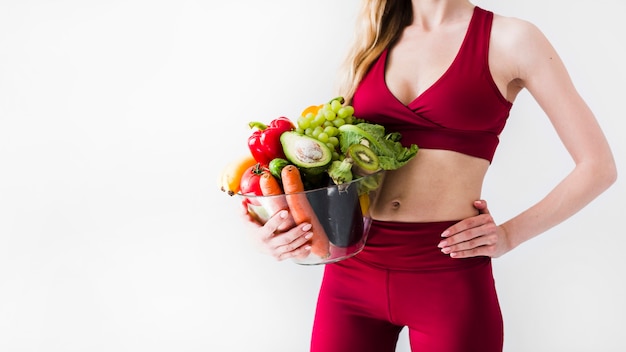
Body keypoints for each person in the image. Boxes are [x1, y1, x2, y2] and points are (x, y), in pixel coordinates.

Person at [244, 0, 617, 351]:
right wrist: (270, 231)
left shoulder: (512, 39)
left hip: (448, 275)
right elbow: (333, 173)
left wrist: (508, 235)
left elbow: (598, 166)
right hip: (352, 273)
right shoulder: (373, 39)